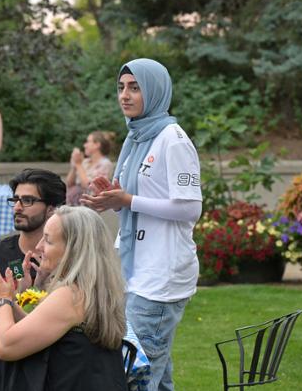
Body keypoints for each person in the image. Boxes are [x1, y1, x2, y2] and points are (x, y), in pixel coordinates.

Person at [81, 58, 203, 391]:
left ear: (155, 90)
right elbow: (132, 206)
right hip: (135, 271)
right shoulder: (136, 138)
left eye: (135, 87)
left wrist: (128, 201)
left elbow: (190, 208)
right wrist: (111, 200)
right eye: (121, 87)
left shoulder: (172, 140)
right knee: (156, 376)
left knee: (135, 377)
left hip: (161, 277)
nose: (125, 95)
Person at [0, 206, 127, 390]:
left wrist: (2, 301)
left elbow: (5, 347)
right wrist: (11, 302)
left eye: (48, 240)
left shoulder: (70, 296)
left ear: (73, 249)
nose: (38, 247)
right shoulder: (92, 289)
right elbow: (43, 327)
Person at [0, 168, 66, 319]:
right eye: (15, 200)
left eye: (27, 201)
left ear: (51, 209)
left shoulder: (71, 254)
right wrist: (16, 296)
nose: (17, 208)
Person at [65, 130, 115, 206]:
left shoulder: (105, 164)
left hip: (87, 210)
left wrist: (78, 164)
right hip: (72, 205)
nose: (85, 145)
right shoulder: (85, 162)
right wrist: (74, 165)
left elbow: (88, 187)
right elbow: (69, 184)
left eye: (88, 142)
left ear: (97, 145)